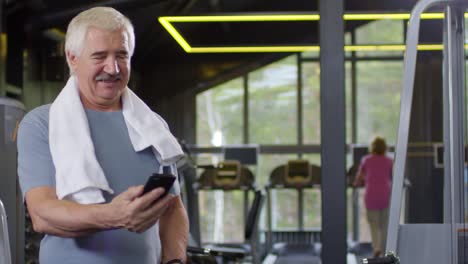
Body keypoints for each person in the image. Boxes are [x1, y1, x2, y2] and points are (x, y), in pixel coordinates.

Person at [17, 7, 188, 264]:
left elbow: (173, 207)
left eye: (122, 55)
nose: (113, 68)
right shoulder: (42, 123)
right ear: (72, 58)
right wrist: (113, 215)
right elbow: (42, 214)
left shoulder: (152, 126)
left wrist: (175, 259)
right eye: (100, 56)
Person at [353, 136, 393, 258]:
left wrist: (356, 183)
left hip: (371, 195)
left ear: (373, 147)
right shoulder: (389, 160)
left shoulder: (366, 160)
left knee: (374, 224)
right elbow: (393, 176)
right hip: (386, 194)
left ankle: (377, 248)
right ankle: (386, 249)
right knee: (385, 224)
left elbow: (359, 178)